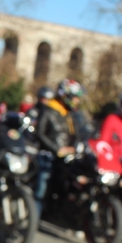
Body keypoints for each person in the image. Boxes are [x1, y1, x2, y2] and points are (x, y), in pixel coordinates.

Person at [33, 79, 85, 211]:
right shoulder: (48, 109)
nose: (77, 101)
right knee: (41, 190)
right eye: (75, 97)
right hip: (47, 156)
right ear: (65, 95)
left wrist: (73, 147)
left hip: (66, 159)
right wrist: (57, 149)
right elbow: (40, 134)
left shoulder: (69, 114)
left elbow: (77, 134)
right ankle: (34, 216)